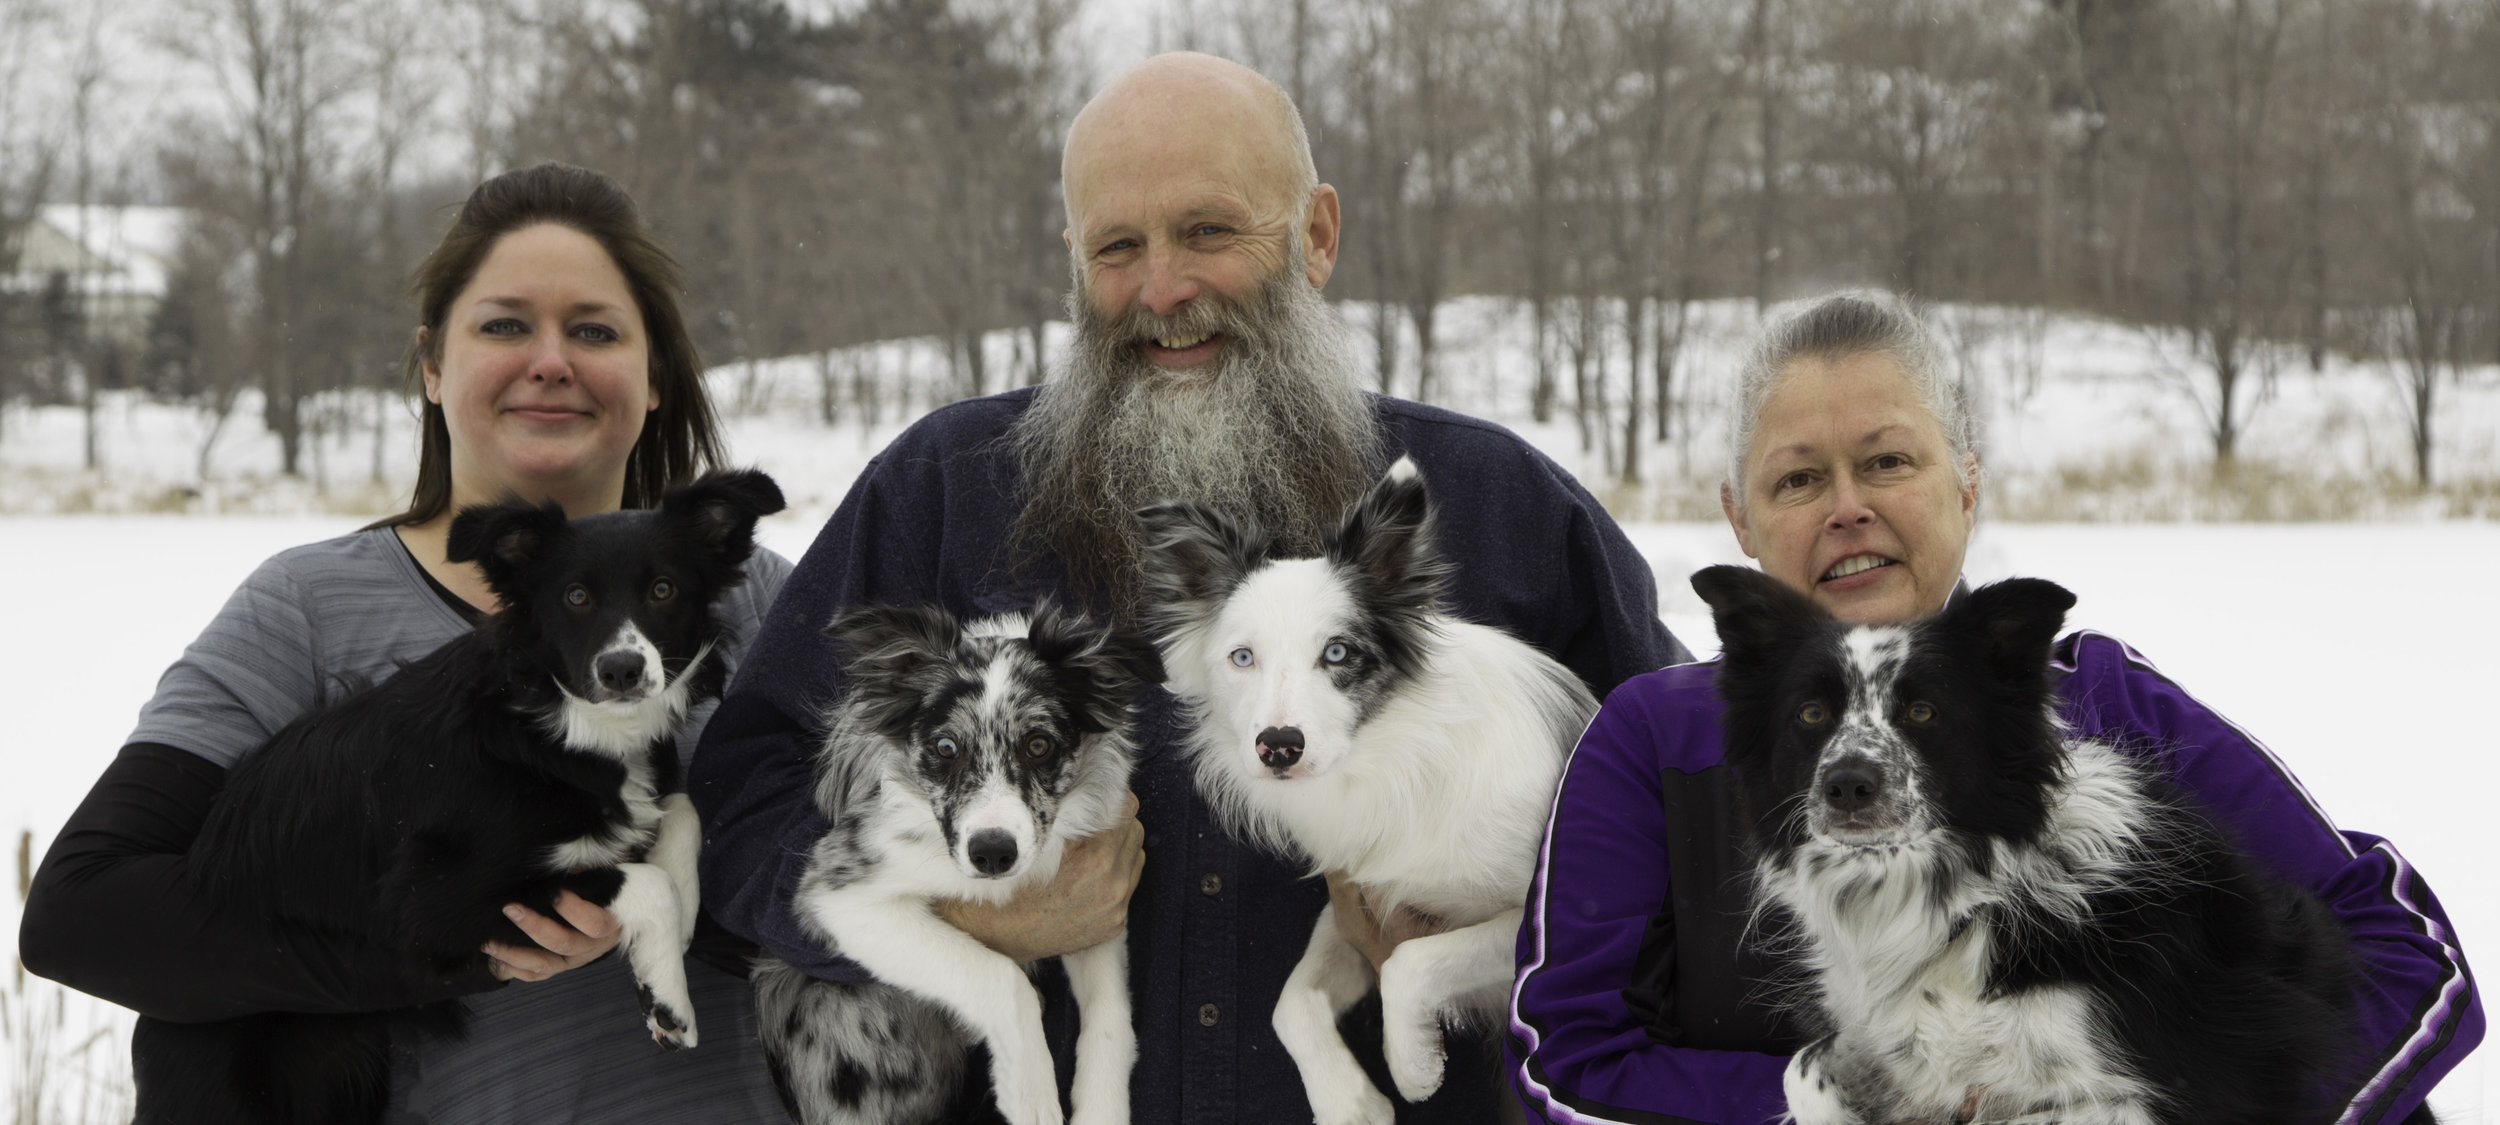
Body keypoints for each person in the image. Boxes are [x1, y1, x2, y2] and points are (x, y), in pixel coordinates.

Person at [689, 51, 1691, 1122]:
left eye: (1208, 230)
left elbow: (1692, 813)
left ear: (1315, 234)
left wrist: (1516, 930)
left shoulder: (1499, 508)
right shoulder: (944, 490)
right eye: (1117, 247)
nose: (1163, 290)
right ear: (1074, 263)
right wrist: (974, 918)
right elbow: (744, 807)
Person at [1505, 292, 2482, 1124]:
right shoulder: (1651, 738)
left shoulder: (2106, 699)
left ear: (1965, 485)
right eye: (1799, 478)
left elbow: (2402, 959)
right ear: (1740, 520)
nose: (1846, 506)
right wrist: (1856, 1101)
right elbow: (1565, 1057)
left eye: (1887, 461)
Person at [19, 162, 792, 1124]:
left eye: (594, 330)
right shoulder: (309, 607)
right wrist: (450, 935)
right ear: (431, 365)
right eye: (505, 324)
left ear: (658, 376)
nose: (551, 359)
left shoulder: (757, 600)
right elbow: (83, 915)